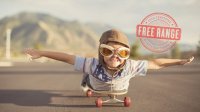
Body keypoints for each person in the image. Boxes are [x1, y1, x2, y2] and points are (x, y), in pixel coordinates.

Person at [24, 29, 194, 92]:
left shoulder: (131, 66)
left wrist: (178, 62)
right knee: (86, 71)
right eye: (108, 51)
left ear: (127, 55)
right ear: (101, 53)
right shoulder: (93, 64)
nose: (115, 56)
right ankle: (85, 81)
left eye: (122, 53)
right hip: (95, 84)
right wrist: (41, 52)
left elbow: (156, 63)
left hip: (119, 88)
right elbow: (67, 57)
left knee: (86, 68)